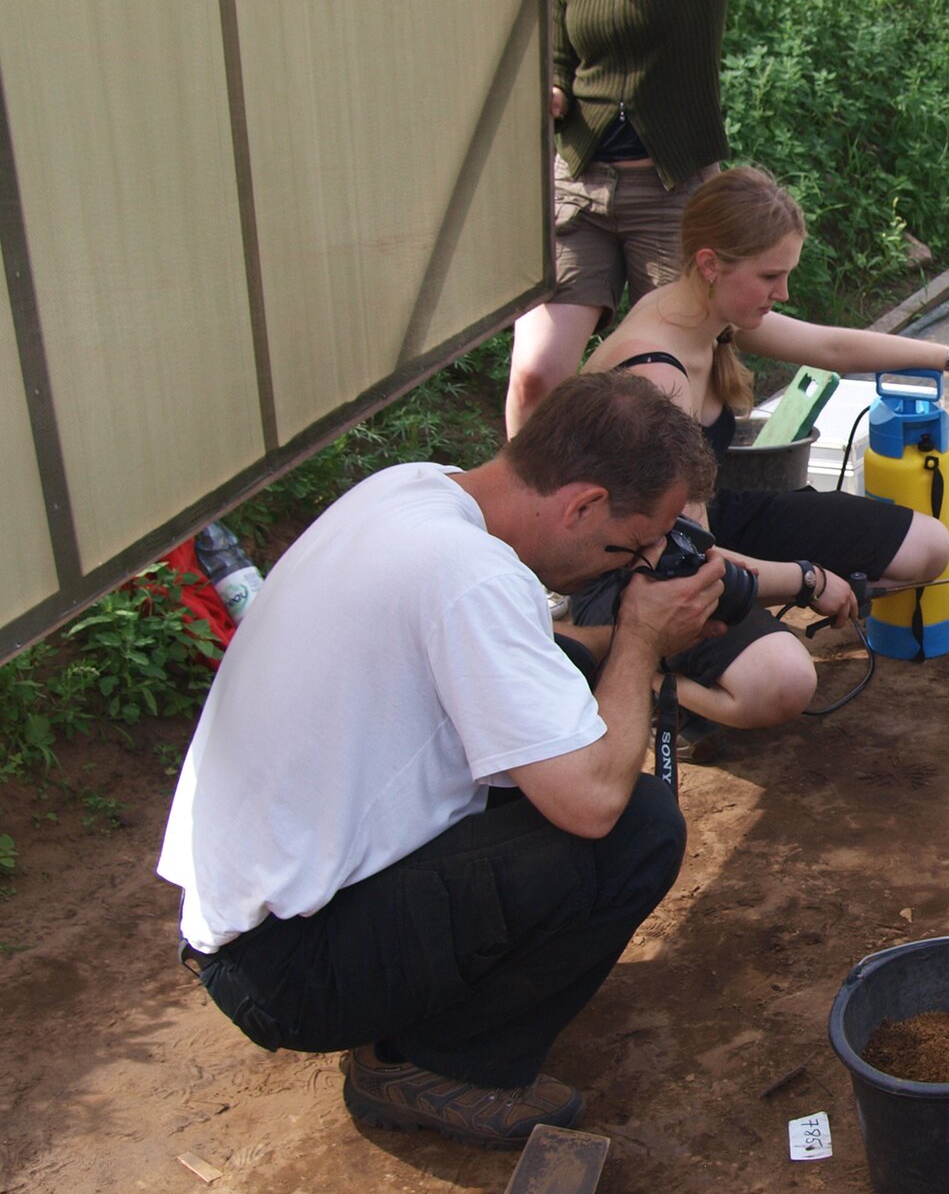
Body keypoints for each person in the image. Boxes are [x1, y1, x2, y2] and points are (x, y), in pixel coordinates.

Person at [159, 372, 725, 1149]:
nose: (629, 567)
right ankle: (441, 1063)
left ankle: (418, 1011)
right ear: (582, 504)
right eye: (631, 548)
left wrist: (615, 646)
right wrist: (640, 639)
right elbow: (592, 800)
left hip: (250, 916)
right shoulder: (474, 577)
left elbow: (518, 660)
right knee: (637, 825)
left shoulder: (413, 492)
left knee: (575, 711)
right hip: (289, 970)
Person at [572, 166, 949, 757]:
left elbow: (829, 346)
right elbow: (692, 556)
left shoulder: (703, 312)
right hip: (643, 572)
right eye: (771, 276)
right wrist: (809, 579)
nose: (782, 292)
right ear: (711, 264)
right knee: (784, 683)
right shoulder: (656, 371)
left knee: (929, 547)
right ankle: (643, 677)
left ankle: (733, 642)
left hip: (702, 527)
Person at [505, 0, 730, 437]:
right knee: (536, 375)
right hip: (579, 182)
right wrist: (552, 90)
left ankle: (683, 504)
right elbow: (557, 61)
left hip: (673, 187)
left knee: (675, 388)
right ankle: (530, 500)